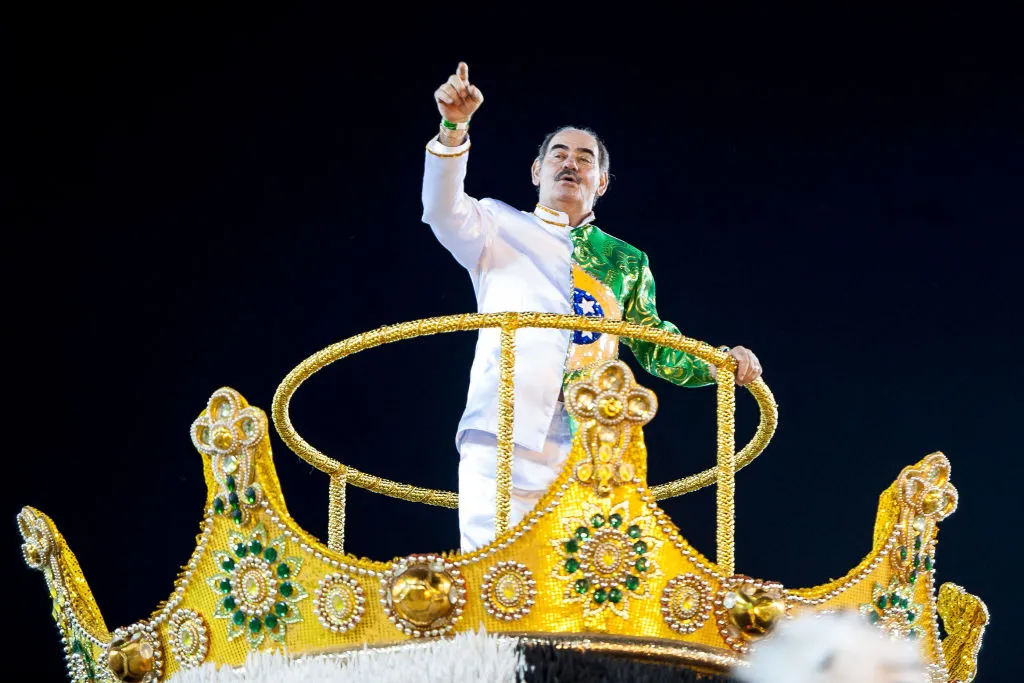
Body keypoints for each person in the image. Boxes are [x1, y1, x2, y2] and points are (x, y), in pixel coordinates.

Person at [422, 62, 763, 552]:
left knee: (582, 581)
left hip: (594, 440)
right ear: (537, 171)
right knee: (493, 575)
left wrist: (718, 363)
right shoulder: (496, 226)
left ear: (601, 182)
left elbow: (654, 343)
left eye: (585, 159)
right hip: (503, 427)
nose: (570, 164)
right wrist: (453, 128)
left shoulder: (625, 260)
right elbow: (441, 209)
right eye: (558, 154)